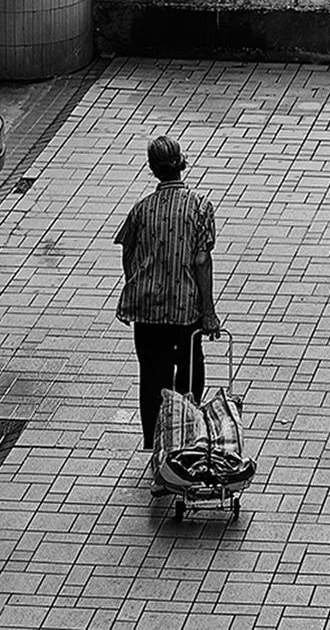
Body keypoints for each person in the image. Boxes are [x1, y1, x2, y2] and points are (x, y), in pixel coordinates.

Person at [115, 132, 221, 452]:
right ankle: (186, 437)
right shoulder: (200, 207)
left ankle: (155, 445)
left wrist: (141, 284)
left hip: (146, 309)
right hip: (185, 309)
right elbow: (202, 260)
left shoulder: (141, 209)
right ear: (182, 164)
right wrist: (209, 311)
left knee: (152, 378)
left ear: (152, 168)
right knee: (189, 372)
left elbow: (128, 254)